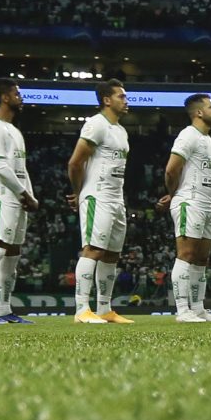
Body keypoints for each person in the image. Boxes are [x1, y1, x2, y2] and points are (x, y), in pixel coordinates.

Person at [66, 80, 134, 325]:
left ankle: (104, 308)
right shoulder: (96, 124)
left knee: (111, 255)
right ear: (107, 100)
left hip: (116, 198)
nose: (126, 101)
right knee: (93, 249)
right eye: (121, 96)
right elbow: (75, 163)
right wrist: (79, 192)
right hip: (97, 195)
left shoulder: (121, 131)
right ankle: (82, 309)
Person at [158, 92, 211, 323]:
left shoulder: (209, 140)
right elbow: (171, 169)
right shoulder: (188, 135)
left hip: (206, 203)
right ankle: (182, 310)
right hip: (190, 200)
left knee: (201, 259)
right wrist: (174, 194)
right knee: (186, 255)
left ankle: (198, 308)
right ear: (198, 112)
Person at [0, 83, 39, 324]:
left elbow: (20, 169)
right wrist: (25, 194)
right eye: (16, 94)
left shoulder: (13, 130)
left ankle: (4, 308)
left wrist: (29, 195)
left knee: (12, 254)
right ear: (4, 97)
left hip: (17, 198)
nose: (20, 97)